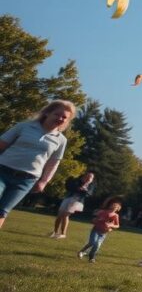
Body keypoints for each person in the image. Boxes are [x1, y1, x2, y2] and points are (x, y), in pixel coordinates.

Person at [0, 100, 76, 231]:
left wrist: (44, 182)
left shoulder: (61, 140)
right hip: (3, 170)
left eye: (64, 117)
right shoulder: (24, 127)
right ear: (47, 113)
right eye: (57, 114)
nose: (60, 118)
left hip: (26, 180)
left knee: (2, 212)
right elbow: (1, 145)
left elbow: (53, 163)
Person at [77, 196, 121, 262]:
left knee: (97, 245)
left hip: (103, 233)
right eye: (113, 205)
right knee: (92, 242)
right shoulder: (103, 212)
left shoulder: (115, 216)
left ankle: (91, 257)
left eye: (116, 206)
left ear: (118, 209)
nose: (114, 207)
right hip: (96, 230)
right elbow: (94, 220)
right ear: (110, 206)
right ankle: (82, 251)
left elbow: (117, 225)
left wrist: (111, 225)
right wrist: (97, 220)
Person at [53, 170, 96, 238]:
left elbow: (89, 194)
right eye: (88, 176)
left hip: (77, 200)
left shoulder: (91, 185)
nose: (89, 178)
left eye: (91, 177)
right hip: (68, 197)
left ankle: (63, 234)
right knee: (59, 215)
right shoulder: (77, 180)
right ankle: (55, 232)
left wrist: (85, 187)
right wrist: (79, 188)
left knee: (65, 215)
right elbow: (70, 187)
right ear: (84, 175)